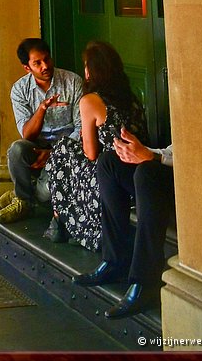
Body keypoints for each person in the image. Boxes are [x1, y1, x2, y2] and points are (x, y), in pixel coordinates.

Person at [43, 40, 145, 248]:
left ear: (92, 71)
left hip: (107, 170)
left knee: (63, 148)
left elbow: (90, 153)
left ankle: (62, 220)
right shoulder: (130, 96)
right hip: (134, 165)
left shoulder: (90, 101)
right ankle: (59, 220)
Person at [75, 127, 175, 318]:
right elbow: (176, 150)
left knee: (148, 173)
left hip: (199, 184)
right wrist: (143, 153)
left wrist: (153, 158)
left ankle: (145, 283)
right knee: (109, 162)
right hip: (172, 169)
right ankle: (115, 261)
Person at [0, 36, 84, 224]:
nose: (45, 66)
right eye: (37, 63)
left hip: (67, 145)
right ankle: (23, 202)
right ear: (27, 68)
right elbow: (26, 133)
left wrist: (54, 152)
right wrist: (42, 108)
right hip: (36, 144)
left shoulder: (73, 81)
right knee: (16, 150)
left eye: (47, 59)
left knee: (45, 195)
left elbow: (80, 127)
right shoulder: (20, 89)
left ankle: (24, 193)